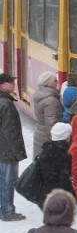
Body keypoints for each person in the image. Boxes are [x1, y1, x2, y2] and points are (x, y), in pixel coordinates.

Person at [0, 72, 27, 222]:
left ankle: (4, 208)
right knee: (8, 181)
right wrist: (18, 152)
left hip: (1, 147)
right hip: (6, 149)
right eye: (11, 83)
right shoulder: (6, 104)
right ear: (2, 85)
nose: (14, 85)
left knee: (2, 180)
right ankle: (7, 211)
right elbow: (10, 131)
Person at [36, 122, 74, 209]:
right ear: (65, 137)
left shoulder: (45, 151)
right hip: (58, 198)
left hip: (45, 196)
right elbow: (65, 180)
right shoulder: (64, 155)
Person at [32, 72, 62, 158]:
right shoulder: (51, 100)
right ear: (49, 83)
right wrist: (57, 141)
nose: (58, 82)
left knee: (40, 163)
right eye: (55, 81)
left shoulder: (40, 93)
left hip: (40, 133)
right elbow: (51, 123)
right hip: (46, 137)